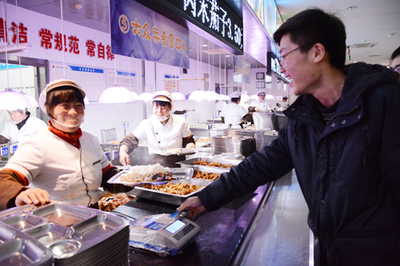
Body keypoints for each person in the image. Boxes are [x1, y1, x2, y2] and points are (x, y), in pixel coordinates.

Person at [178, 8, 400, 265]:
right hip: (329, 250)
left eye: (284, 55)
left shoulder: (384, 103)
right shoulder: (304, 119)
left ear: (317, 52)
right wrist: (206, 198)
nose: (282, 66)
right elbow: (260, 165)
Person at [0, 79, 130, 210]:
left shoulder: (91, 140)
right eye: (65, 106)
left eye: (78, 105)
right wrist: (20, 193)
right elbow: (4, 179)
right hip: (57, 220)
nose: (73, 112)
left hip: (94, 214)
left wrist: (133, 178)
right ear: (49, 110)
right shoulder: (37, 145)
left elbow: (107, 174)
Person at [119, 90, 195, 168]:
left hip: (176, 164)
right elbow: (130, 140)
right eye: (156, 107)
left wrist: (190, 147)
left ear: (170, 108)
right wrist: (123, 152)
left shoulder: (181, 122)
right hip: (154, 166)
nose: (159, 111)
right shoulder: (147, 123)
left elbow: (189, 141)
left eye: (163, 108)